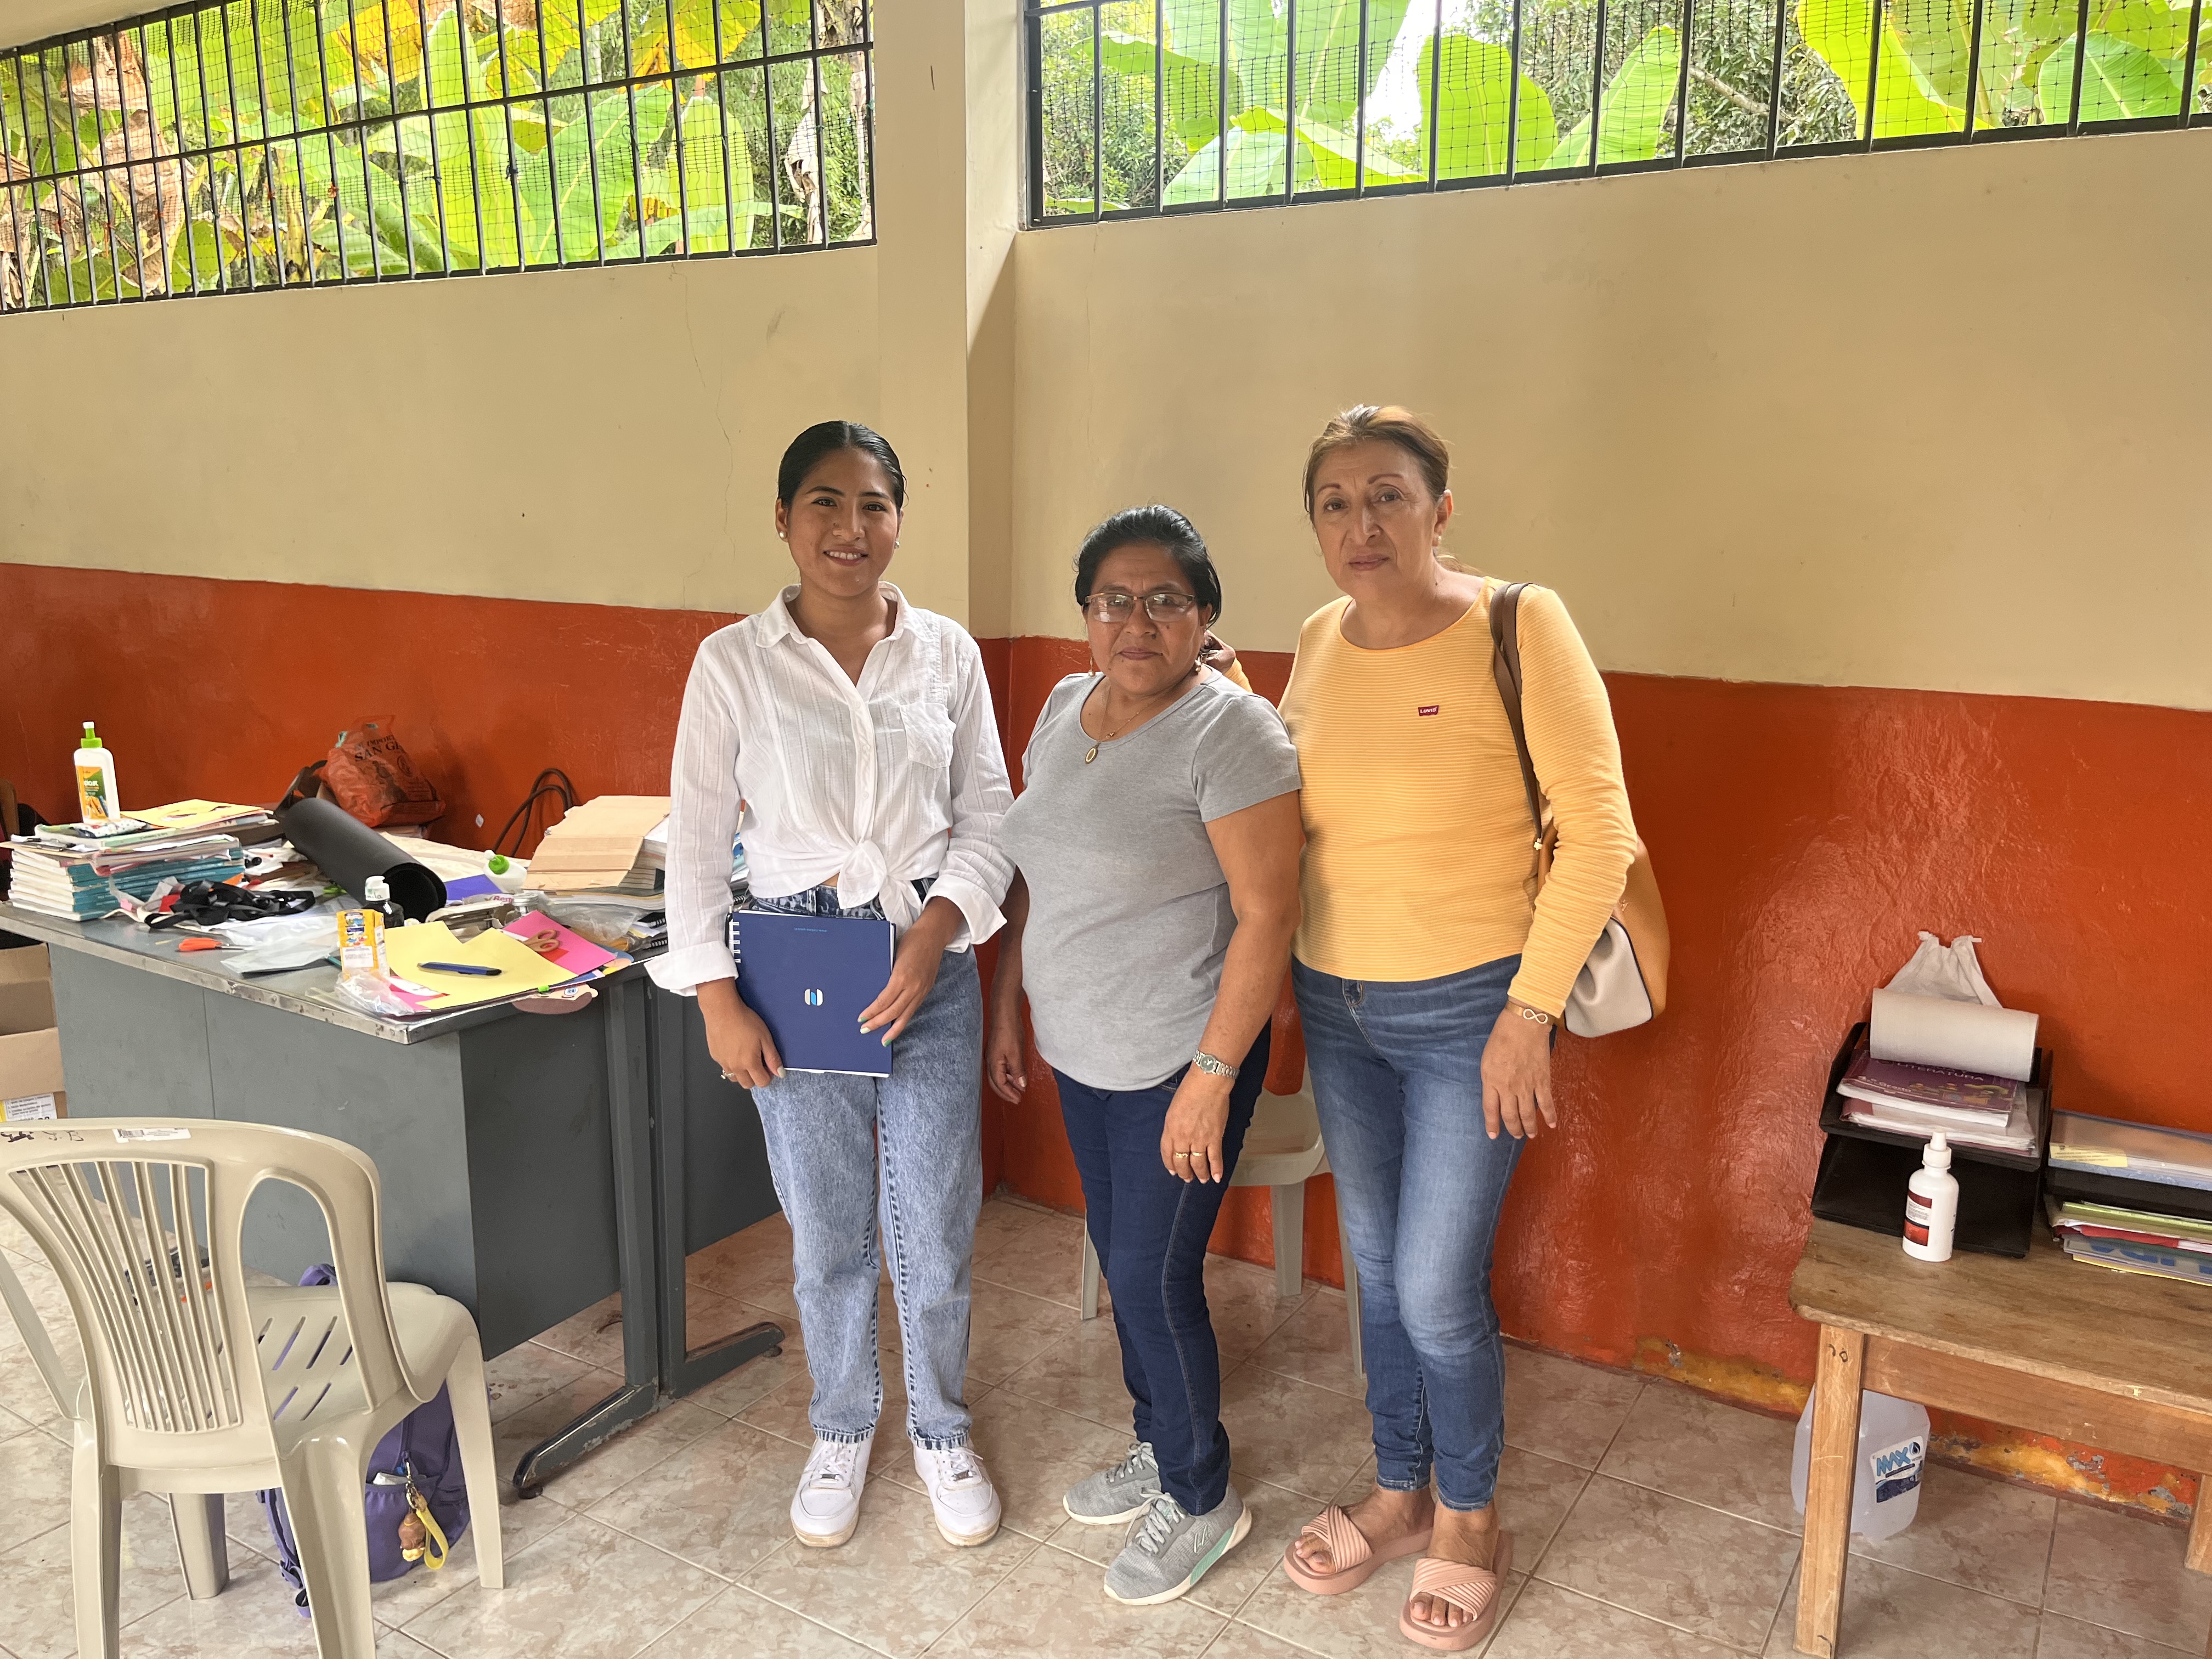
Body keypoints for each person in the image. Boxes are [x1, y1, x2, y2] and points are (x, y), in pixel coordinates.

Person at [1274, 407, 1637, 1651]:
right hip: (1338, 1004)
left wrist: (1531, 1013)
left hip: (1473, 1008)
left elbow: (1600, 834)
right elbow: (1303, 803)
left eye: (1387, 494)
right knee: (1376, 1271)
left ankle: (1471, 1515)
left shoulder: (1520, 624)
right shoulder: (1317, 640)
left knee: (1434, 1286)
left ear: (1441, 508)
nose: (1361, 523)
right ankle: (1400, 1490)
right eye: (1334, 502)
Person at [650, 420, 1015, 1552]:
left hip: (927, 965)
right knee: (827, 1227)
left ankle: (942, 1428)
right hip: (795, 971)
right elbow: (698, 841)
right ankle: (845, 1425)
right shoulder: (734, 663)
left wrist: (938, 930)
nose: (850, 528)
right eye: (825, 502)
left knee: (936, 1222)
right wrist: (717, 998)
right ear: (783, 519)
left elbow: (991, 816)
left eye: (874, 504)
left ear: (899, 520)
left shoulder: (946, 654)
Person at [986, 506, 1303, 1606]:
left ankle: (1204, 1493)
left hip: (1180, 1055)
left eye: (1165, 600)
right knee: (1125, 1259)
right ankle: (1162, 1442)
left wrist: (1212, 1079)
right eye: (1113, 600)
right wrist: (1008, 1002)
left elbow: (1268, 916)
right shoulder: (1063, 707)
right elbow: (1040, 878)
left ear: (1205, 615)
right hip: (1083, 1049)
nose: (1137, 621)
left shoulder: (1233, 735)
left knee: (1149, 1276)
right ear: (1085, 614)